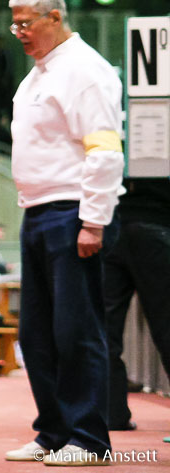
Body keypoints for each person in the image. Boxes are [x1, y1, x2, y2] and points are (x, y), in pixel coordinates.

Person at [4, 0, 122, 466]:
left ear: (55, 17)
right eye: (14, 23)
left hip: (71, 212)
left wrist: (93, 222)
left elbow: (105, 152)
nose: (19, 32)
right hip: (37, 212)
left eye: (27, 22)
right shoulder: (36, 76)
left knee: (76, 330)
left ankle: (90, 440)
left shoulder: (85, 71)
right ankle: (53, 431)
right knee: (36, 334)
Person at [105, 177, 170, 433]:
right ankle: (111, 413)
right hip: (158, 221)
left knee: (104, 328)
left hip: (109, 223)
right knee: (167, 325)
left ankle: (111, 412)